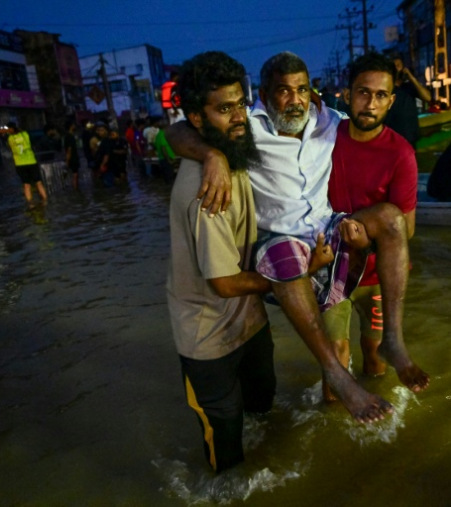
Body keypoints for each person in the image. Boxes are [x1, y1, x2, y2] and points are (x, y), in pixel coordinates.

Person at [167, 51, 430, 424]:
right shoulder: (247, 128)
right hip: (279, 240)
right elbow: (174, 132)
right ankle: (336, 374)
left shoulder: (329, 119)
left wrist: (361, 239)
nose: (296, 100)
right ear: (263, 94)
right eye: (284, 91)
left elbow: (365, 132)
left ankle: (394, 339)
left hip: (328, 228)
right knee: (286, 258)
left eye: (302, 89)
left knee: (390, 218)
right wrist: (212, 156)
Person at [167, 51, 283, 473]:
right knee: (226, 450)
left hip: (248, 321)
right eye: (224, 108)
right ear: (198, 117)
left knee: (264, 407)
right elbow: (224, 283)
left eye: (240, 103)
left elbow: (175, 133)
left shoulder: (230, 150)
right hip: (208, 336)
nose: (238, 117)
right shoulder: (207, 193)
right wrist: (290, 277)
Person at [323, 53, 419, 401]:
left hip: (378, 273)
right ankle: (331, 428)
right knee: (334, 356)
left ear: (391, 102)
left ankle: (376, 424)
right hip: (331, 267)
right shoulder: (323, 140)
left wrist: (365, 238)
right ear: (346, 96)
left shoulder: (400, 154)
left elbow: (405, 229)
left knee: (375, 357)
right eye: (363, 93)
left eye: (381, 95)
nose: (370, 103)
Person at [383, 51, 432, 148]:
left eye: (399, 65)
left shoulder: (409, 87)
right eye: (394, 66)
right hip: (392, 140)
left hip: (410, 139)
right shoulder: (386, 89)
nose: (397, 68)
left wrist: (411, 78)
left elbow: (428, 97)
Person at [7, 122, 48, 205]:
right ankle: (45, 201)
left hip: (20, 164)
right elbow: (33, 143)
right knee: (38, 183)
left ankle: (31, 204)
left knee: (27, 185)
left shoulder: (10, 138)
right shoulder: (25, 134)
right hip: (31, 162)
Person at [154, 117, 178, 183]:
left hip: (162, 159)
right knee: (170, 179)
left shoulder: (158, 135)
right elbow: (163, 148)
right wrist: (169, 160)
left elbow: (156, 147)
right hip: (166, 160)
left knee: (167, 179)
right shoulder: (163, 135)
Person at [63, 120, 80, 190]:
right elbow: (69, 150)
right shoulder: (70, 137)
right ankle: (75, 188)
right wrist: (67, 160)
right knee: (75, 174)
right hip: (73, 158)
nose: (75, 126)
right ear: (70, 126)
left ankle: (75, 188)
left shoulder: (67, 136)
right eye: (73, 125)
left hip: (72, 158)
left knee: (74, 174)